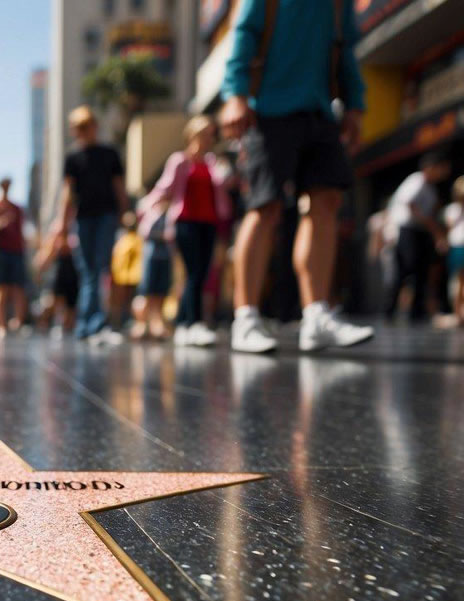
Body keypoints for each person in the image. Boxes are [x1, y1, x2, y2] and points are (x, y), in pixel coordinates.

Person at [220, 0, 374, 352]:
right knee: (265, 208)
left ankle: (317, 315)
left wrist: (355, 104)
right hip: (268, 110)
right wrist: (235, 95)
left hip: (320, 109)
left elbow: (345, 48)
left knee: (327, 202)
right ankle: (245, 318)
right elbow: (243, 35)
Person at [138, 116, 232, 347]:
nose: (210, 139)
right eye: (206, 134)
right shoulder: (180, 161)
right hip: (186, 223)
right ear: (193, 135)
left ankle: (185, 321)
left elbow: (225, 188)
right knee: (193, 274)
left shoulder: (213, 163)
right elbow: (165, 187)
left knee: (202, 273)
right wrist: (146, 206)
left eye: (212, 134)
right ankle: (192, 323)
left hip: (209, 223)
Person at [51, 105, 134, 345]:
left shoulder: (109, 153)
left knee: (101, 268)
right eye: (77, 128)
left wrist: (124, 211)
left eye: (85, 126)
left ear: (94, 126)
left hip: (106, 217)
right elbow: (67, 193)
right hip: (83, 219)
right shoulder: (72, 158)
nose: (81, 131)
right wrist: (62, 224)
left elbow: (118, 186)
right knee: (88, 272)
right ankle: (88, 324)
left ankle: (94, 323)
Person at [384, 151, 452, 322]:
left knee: (420, 271)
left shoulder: (430, 188)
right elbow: (410, 204)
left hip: (420, 232)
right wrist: (431, 225)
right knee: (406, 270)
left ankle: (416, 312)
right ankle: (391, 311)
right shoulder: (417, 180)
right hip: (407, 231)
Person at [0, 177, 27, 338]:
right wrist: (3, 221)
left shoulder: (17, 208)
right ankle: (1, 325)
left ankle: (18, 323)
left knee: (18, 288)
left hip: (17, 251)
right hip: (0, 251)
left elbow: (21, 231)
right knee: (1, 287)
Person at [131, 206, 172, 340]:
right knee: (145, 292)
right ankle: (141, 323)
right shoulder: (150, 208)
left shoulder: (169, 211)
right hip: (150, 256)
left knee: (160, 292)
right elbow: (144, 230)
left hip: (165, 256)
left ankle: (156, 323)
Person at [34, 228, 80, 337]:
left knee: (71, 304)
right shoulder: (55, 239)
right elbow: (43, 260)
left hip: (72, 273)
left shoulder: (74, 236)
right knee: (56, 300)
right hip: (60, 274)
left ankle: (68, 326)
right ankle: (54, 324)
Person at [442, 176, 464, 326]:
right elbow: (449, 229)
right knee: (459, 281)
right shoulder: (452, 210)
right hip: (458, 247)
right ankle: (458, 314)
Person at [110, 227, 141, 332]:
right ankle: (117, 322)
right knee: (120, 301)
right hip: (122, 277)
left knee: (128, 300)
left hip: (131, 276)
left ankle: (126, 321)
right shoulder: (123, 239)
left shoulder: (135, 240)